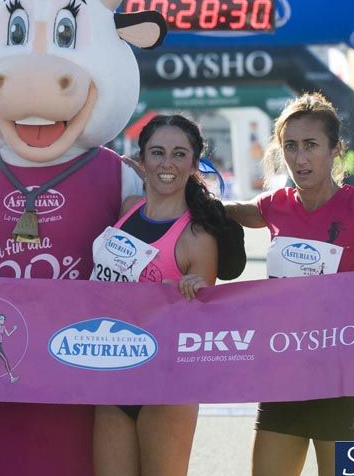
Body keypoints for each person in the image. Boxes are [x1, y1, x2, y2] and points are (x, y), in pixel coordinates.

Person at [225, 92, 354, 476]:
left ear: (335, 150)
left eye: (311, 146)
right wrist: (172, 186)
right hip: (283, 380)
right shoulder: (275, 205)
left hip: (341, 385)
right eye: (290, 146)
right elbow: (222, 211)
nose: (300, 158)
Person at [91, 115, 228, 476]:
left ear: (194, 164)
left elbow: (201, 326)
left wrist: (188, 296)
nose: (167, 164)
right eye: (158, 152)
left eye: (179, 154)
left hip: (166, 384)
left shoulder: (197, 238)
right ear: (143, 159)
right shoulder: (128, 208)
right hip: (113, 374)